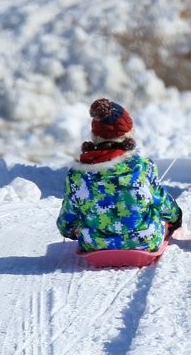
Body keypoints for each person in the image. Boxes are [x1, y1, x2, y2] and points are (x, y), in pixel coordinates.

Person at [57, 98, 182, 252]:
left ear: (94, 135)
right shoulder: (142, 167)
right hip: (144, 241)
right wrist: (175, 218)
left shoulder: (77, 175)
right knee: (152, 204)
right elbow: (161, 201)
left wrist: (69, 231)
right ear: (128, 136)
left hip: (94, 244)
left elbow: (69, 213)